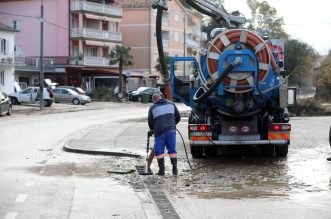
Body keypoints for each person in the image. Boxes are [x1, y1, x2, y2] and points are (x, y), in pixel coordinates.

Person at [148, 93, 181, 175]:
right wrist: (172, 125)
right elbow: (178, 117)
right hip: (171, 131)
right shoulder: (171, 104)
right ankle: (175, 170)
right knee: (172, 150)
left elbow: (150, 122)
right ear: (161, 97)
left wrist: (152, 130)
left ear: (154, 100)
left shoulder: (152, 107)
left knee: (159, 151)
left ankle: (162, 171)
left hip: (159, 132)